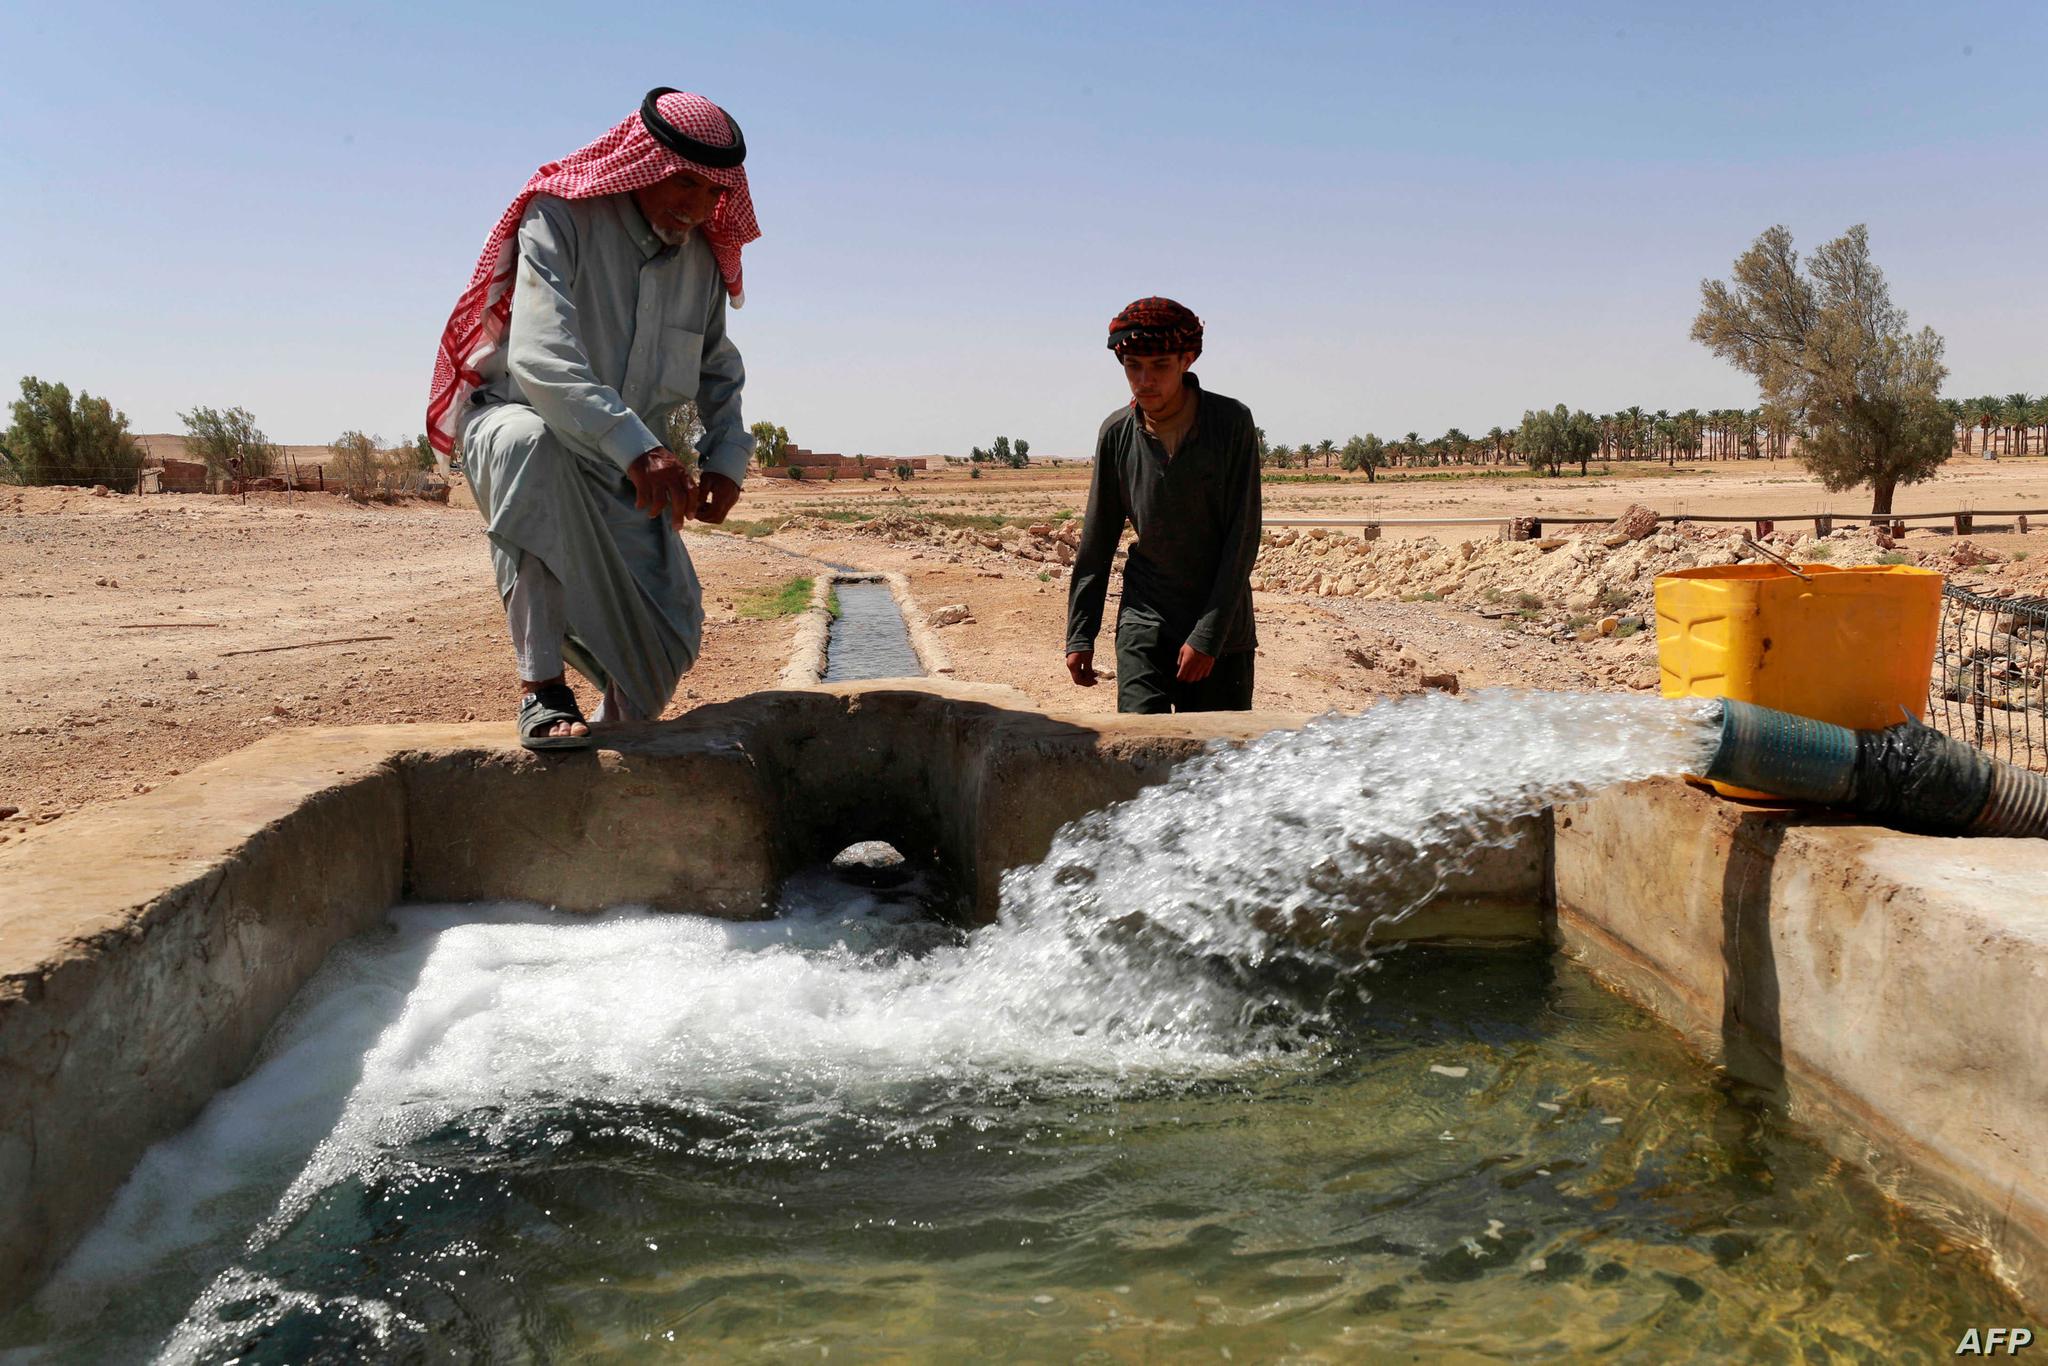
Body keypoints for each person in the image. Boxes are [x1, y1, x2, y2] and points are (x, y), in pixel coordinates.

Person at [426, 88, 761, 750]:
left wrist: (725, 458)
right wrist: (638, 449)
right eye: (681, 182)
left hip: (626, 456)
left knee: (667, 643)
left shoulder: (699, 258)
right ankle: (541, 688)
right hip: (518, 421)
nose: (694, 206)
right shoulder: (562, 219)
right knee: (533, 448)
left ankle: (612, 741)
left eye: (710, 190)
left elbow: (718, 369)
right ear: (642, 163)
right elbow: (539, 357)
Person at [1064, 298, 1262, 713]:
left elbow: (1242, 537)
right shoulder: (1116, 433)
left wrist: (1208, 635)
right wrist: (1081, 633)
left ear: (1187, 359)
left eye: (1159, 367)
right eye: (1133, 366)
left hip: (1220, 623)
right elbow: (1097, 540)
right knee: (1138, 749)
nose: (1144, 380)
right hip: (1145, 615)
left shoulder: (1231, 424)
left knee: (1212, 764)